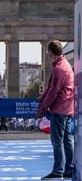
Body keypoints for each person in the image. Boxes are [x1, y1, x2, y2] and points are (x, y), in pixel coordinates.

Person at [37, 40, 74, 180]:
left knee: (57, 140)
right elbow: (51, 88)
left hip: (59, 108)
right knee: (66, 139)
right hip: (67, 107)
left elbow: (54, 91)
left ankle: (58, 170)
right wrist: (43, 96)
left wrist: (43, 107)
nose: (47, 54)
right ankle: (69, 168)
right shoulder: (64, 65)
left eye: (48, 51)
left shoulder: (59, 68)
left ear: (50, 52)